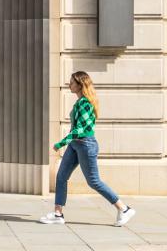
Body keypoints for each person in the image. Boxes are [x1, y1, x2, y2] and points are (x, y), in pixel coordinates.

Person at [40, 71, 134, 226]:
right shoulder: (79, 102)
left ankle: (123, 209)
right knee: (61, 176)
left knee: (93, 181)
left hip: (85, 145)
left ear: (80, 84)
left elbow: (79, 129)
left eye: (72, 82)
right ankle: (58, 214)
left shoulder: (85, 104)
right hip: (76, 144)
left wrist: (61, 143)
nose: (69, 84)